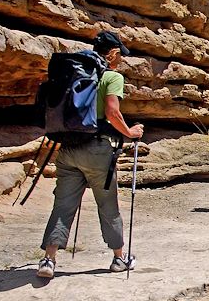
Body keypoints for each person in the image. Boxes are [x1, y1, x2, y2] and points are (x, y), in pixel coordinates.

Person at [37, 31, 144, 279]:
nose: (121, 61)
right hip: (97, 150)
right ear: (113, 53)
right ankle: (119, 259)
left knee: (63, 205)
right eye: (120, 56)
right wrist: (130, 131)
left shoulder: (73, 72)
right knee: (108, 205)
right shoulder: (112, 76)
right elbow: (112, 110)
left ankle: (48, 260)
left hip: (68, 148)